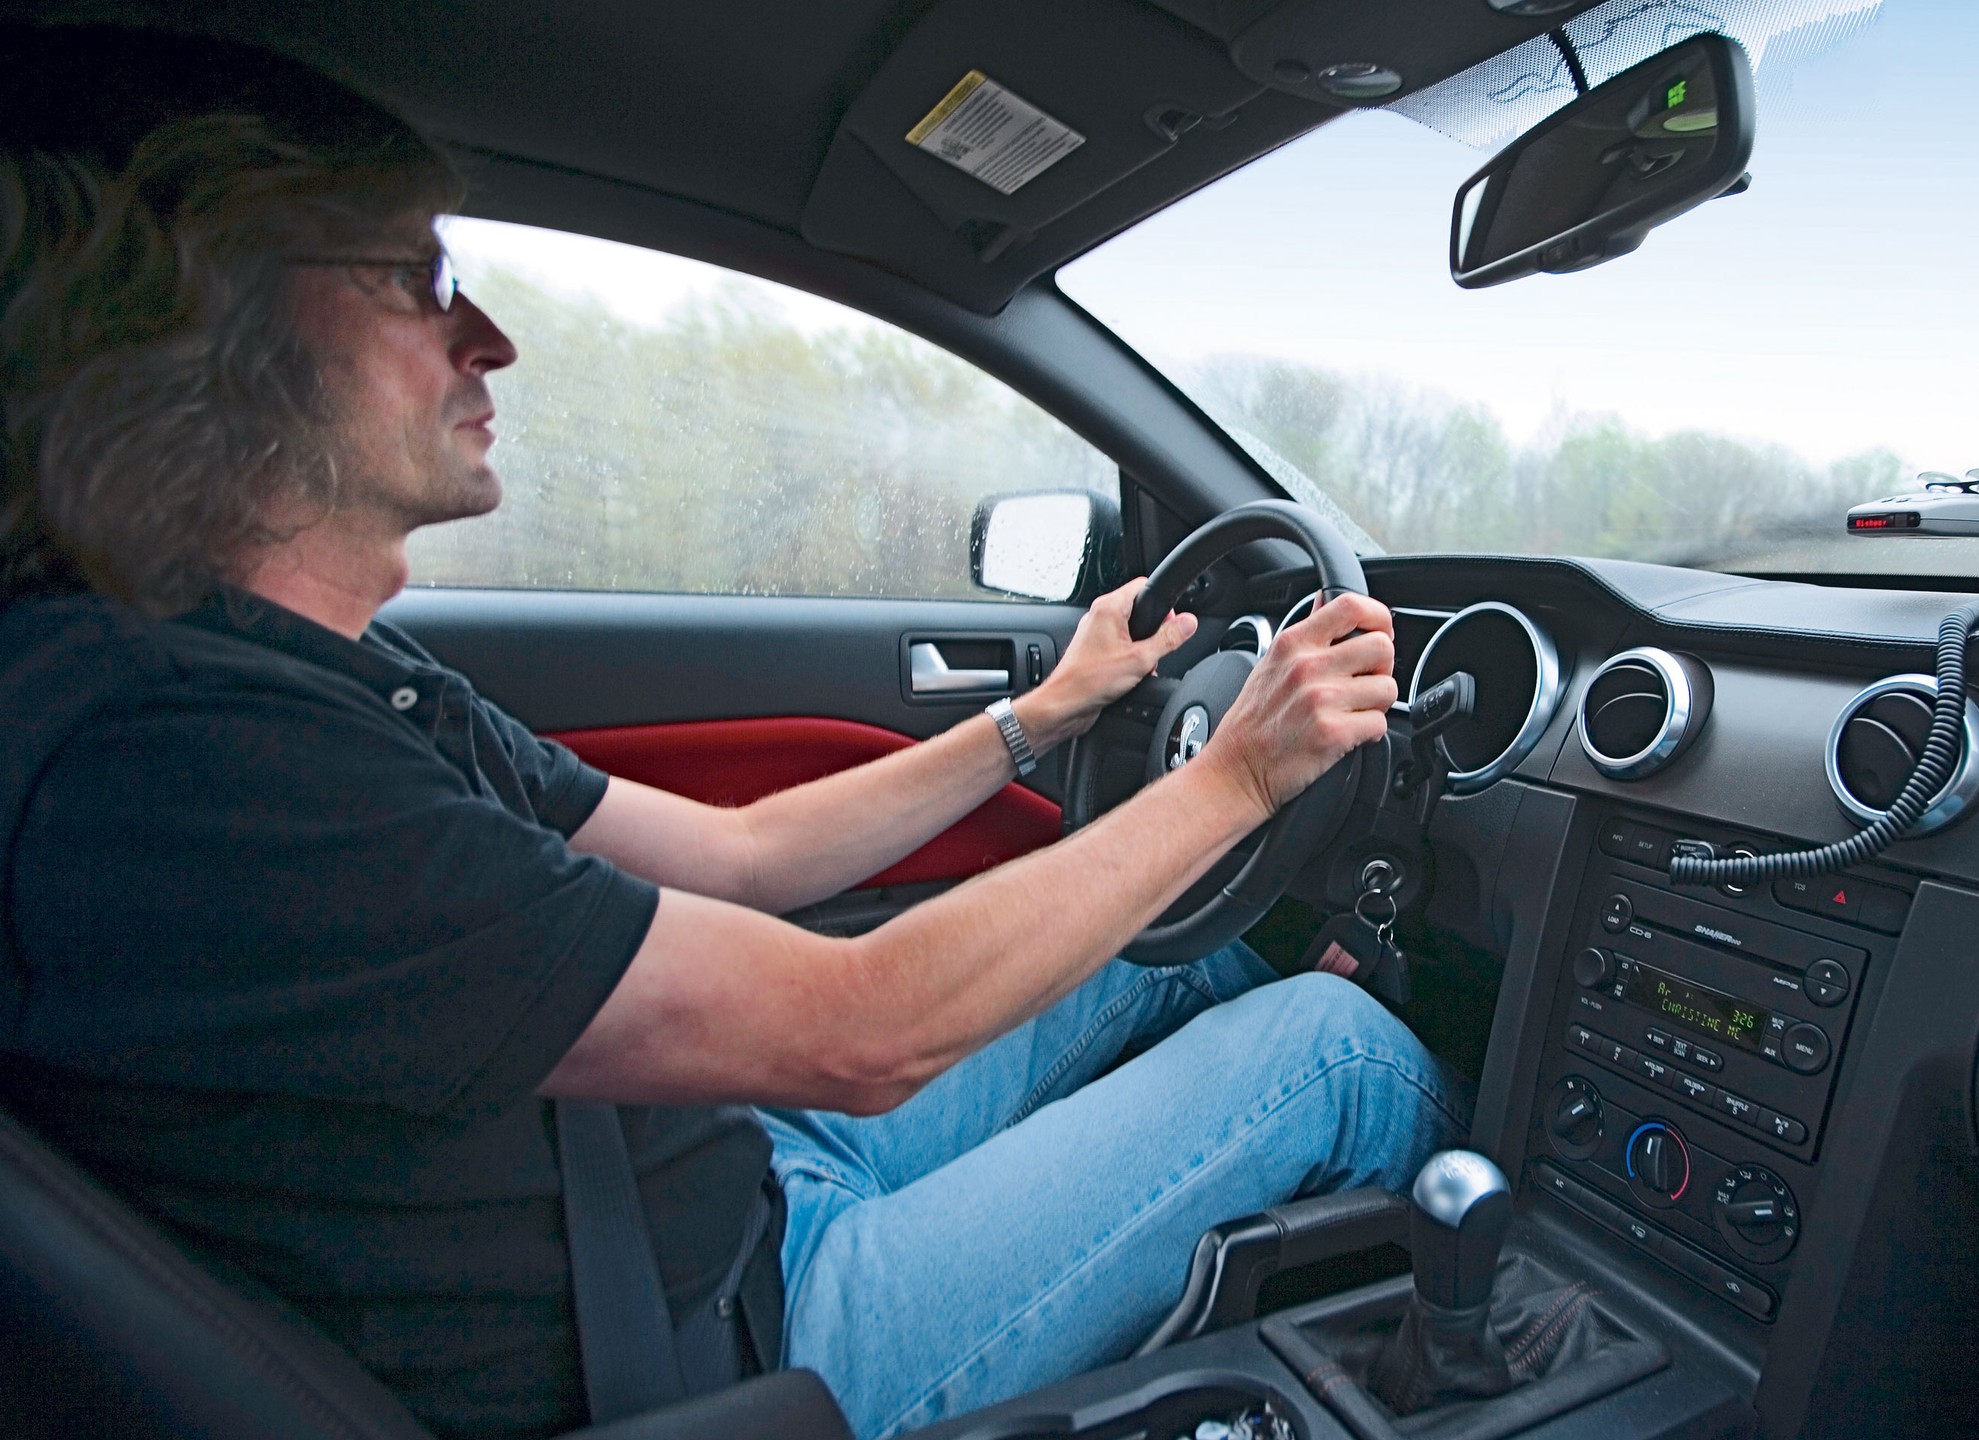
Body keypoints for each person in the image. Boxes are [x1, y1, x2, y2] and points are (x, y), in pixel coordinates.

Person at [0, 30, 1465, 1439]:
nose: (489, 339)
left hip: (720, 1177)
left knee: (1191, 957)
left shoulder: (321, 676)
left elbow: (742, 854)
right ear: (201, 322)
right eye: (411, 280)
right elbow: (863, 1030)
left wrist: (1043, 713)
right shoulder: (179, 763)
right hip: (733, 1344)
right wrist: (1236, 779)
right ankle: (1506, 1348)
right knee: (1333, 1049)